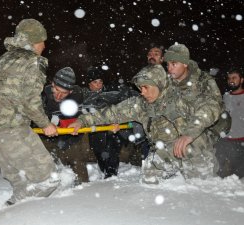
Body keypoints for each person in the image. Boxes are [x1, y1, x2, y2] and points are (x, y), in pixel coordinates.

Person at [69, 64, 223, 184]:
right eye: (140, 88)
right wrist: (82, 121)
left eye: (146, 87)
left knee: (199, 187)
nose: (142, 92)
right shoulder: (141, 105)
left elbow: (211, 106)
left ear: (159, 84)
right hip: (166, 152)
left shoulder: (180, 97)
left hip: (193, 148)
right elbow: (111, 113)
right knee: (149, 174)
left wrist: (190, 133)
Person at [0, 19, 60, 205]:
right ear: (35, 41)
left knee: (19, 180)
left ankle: (15, 207)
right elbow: (29, 101)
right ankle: (34, 213)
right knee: (49, 178)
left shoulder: (1, 59)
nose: (44, 46)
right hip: (13, 131)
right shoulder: (32, 61)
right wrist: (46, 124)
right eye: (43, 41)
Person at [163, 44, 231, 173]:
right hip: (181, 127)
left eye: (174, 64)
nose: (169, 68)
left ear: (185, 64)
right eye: (167, 64)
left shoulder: (204, 81)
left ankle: (204, 172)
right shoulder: (167, 83)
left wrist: (189, 133)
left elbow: (211, 107)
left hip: (207, 127)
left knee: (190, 148)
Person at [41, 67, 89, 183]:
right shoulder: (42, 94)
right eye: (56, 90)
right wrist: (48, 123)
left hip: (71, 138)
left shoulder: (79, 95)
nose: (58, 96)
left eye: (64, 93)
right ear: (52, 84)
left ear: (71, 91)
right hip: (46, 140)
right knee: (44, 172)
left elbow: (95, 109)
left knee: (81, 177)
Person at [82, 66, 127, 178]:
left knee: (112, 149)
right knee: (100, 152)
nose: (99, 84)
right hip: (95, 131)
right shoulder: (84, 97)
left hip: (112, 130)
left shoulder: (110, 94)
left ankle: (111, 175)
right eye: (95, 82)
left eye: (100, 81)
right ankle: (105, 171)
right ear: (89, 84)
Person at [215, 69, 244, 178]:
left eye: (234, 78)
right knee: (219, 176)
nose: (231, 80)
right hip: (224, 141)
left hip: (241, 143)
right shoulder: (225, 96)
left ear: (241, 80)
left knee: (239, 179)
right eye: (229, 78)